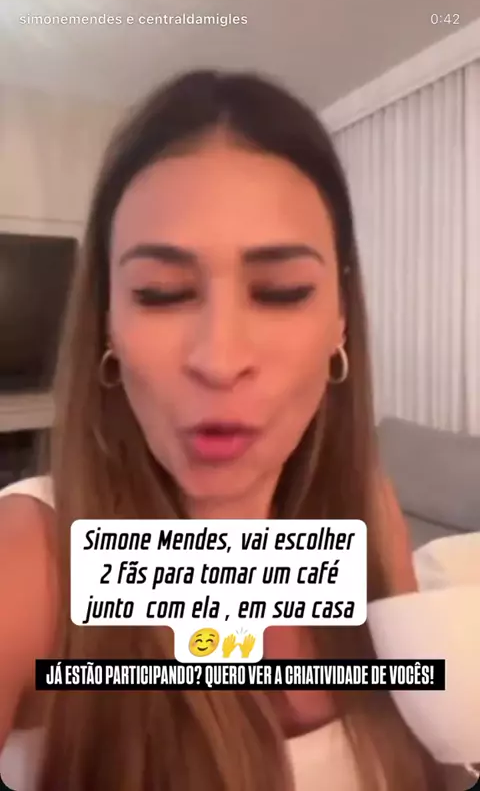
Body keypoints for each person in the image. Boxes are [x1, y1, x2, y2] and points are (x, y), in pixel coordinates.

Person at [0, 70, 453, 791]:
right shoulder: (32, 559)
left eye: (281, 292)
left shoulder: (368, 510)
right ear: (108, 324)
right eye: (161, 294)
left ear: (339, 319)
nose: (219, 359)